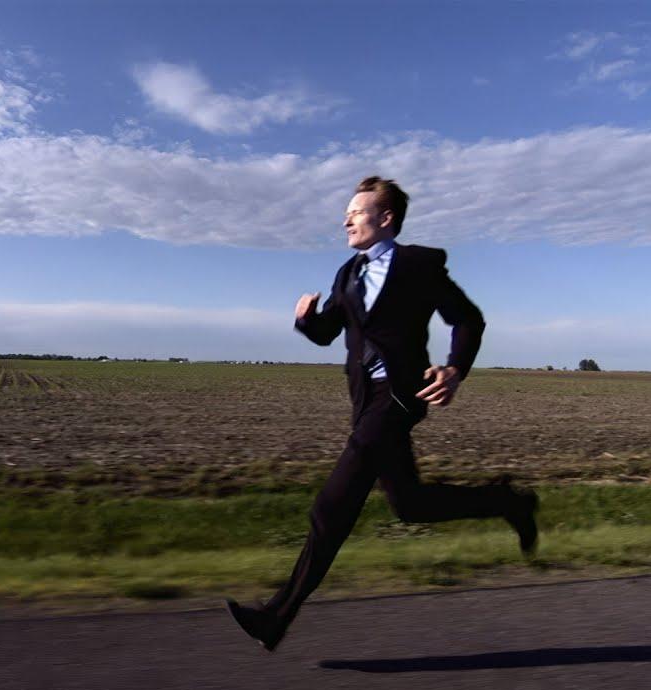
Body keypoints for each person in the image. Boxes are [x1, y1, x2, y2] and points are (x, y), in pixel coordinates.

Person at [225, 176, 538, 652]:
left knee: (330, 507)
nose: (346, 220)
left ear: (386, 218)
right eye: (346, 213)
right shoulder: (347, 274)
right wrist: (306, 321)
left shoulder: (418, 265)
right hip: (364, 400)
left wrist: (455, 368)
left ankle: (276, 617)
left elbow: (467, 318)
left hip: (399, 396)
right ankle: (507, 502)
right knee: (410, 505)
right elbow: (329, 332)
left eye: (356, 211)